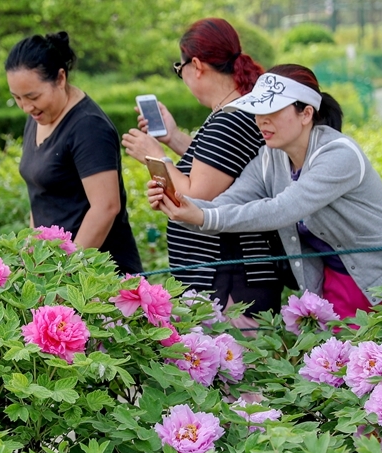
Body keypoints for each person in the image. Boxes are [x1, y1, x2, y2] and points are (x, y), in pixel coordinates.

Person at [149, 65, 382, 320]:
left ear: (306, 113)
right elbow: (227, 203)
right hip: (337, 281)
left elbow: (283, 208)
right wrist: (180, 206)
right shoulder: (268, 159)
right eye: (258, 112)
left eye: (272, 111)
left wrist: (201, 215)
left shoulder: (339, 154)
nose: (262, 121)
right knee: (342, 373)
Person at [122, 18, 285, 327]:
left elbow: (196, 196)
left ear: (195, 65)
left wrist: (153, 155)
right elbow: (220, 171)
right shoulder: (239, 112)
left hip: (228, 280)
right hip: (228, 276)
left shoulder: (230, 119)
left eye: (179, 68)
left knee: (233, 370)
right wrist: (173, 139)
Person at [5, 32, 142, 274]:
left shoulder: (89, 126)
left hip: (95, 273)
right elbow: (41, 196)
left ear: (60, 77)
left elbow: (106, 207)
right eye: (17, 98)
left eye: (33, 96)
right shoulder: (38, 116)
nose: (26, 107)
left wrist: (66, 271)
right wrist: (32, 257)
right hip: (53, 268)